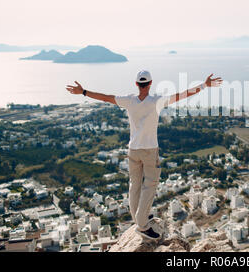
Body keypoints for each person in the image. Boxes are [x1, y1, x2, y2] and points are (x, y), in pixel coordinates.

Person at [66, 71, 222, 239]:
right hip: (149, 150)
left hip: (133, 150)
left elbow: (106, 98)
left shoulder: (129, 100)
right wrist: (204, 85)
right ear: (150, 83)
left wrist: (83, 92)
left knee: (134, 185)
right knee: (150, 185)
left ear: (136, 84)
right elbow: (182, 95)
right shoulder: (156, 101)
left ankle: (138, 219)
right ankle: (142, 224)